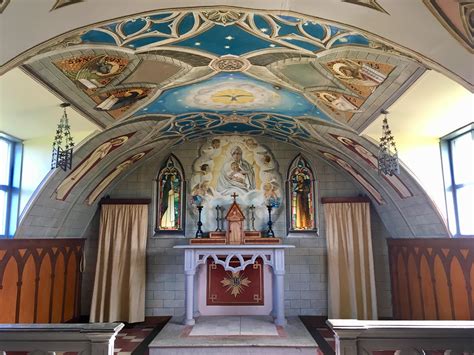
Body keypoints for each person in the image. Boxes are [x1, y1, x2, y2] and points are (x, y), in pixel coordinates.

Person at [56, 135, 129, 200]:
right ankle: (63, 185)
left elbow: (103, 156)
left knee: (83, 172)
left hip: (95, 159)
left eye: (118, 142)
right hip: (92, 158)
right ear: (115, 140)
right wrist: (100, 152)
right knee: (81, 169)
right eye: (117, 141)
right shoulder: (107, 144)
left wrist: (103, 152)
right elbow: (98, 151)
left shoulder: (109, 147)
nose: (116, 143)